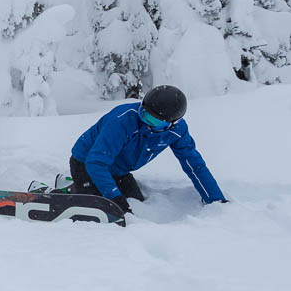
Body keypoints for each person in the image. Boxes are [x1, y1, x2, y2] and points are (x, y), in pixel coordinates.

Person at [69, 85, 227, 213]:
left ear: (172, 123)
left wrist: (215, 199)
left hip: (118, 170)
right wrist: (115, 198)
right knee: (103, 209)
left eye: (154, 121)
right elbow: (95, 162)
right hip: (86, 164)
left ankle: (79, 186)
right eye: (144, 114)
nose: (147, 122)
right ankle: (73, 189)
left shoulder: (177, 131)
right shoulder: (122, 121)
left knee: (136, 202)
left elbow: (194, 165)